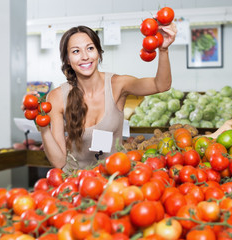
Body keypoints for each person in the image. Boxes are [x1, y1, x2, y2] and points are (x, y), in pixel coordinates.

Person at [25, 23, 177, 172]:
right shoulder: (57, 97)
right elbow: (59, 162)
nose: (85, 56)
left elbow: (161, 85)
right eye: (76, 51)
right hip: (77, 182)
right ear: (67, 59)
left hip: (114, 176)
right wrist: (44, 129)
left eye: (90, 48)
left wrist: (163, 50)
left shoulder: (118, 85)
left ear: (98, 52)